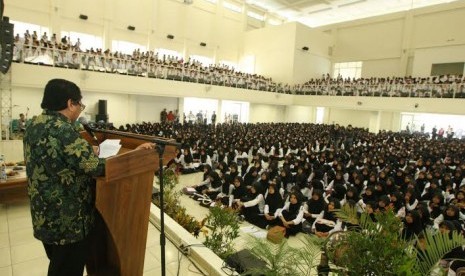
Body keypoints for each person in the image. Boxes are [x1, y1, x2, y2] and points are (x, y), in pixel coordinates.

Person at [23, 79, 154, 276]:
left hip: (44, 214)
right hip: (68, 222)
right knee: (66, 270)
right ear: (70, 103)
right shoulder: (64, 130)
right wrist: (135, 154)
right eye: (80, 105)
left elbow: (57, 155)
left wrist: (89, 149)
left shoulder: (35, 124)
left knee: (58, 263)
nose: (80, 111)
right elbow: (97, 168)